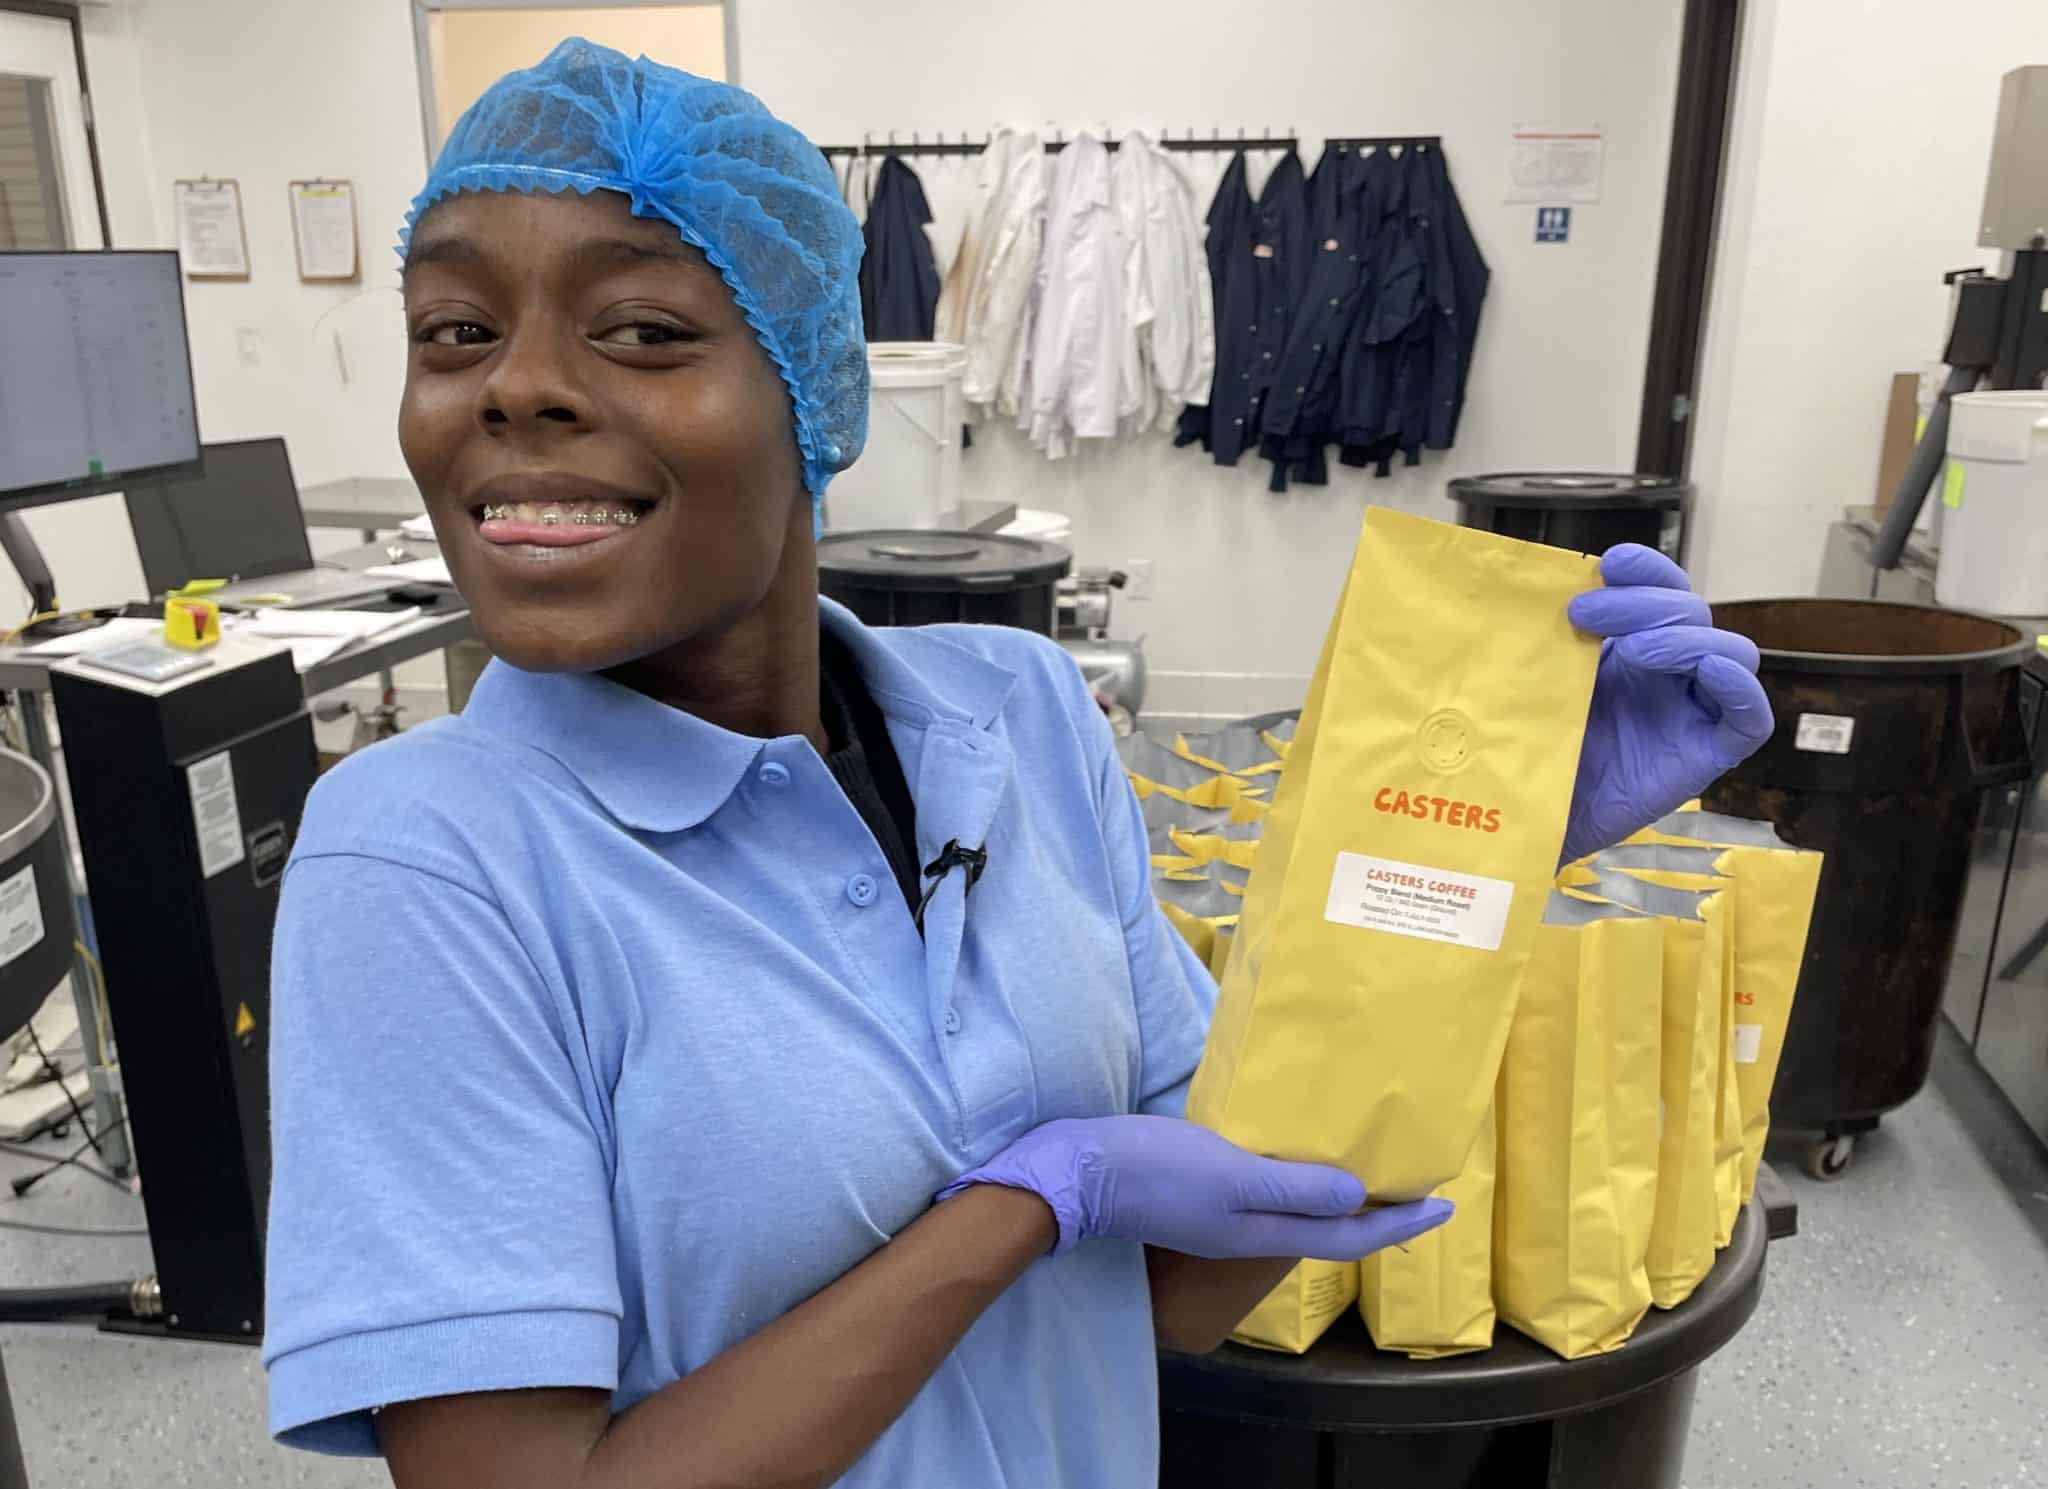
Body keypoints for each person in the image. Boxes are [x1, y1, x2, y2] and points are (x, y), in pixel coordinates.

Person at [262, 39, 1773, 1489]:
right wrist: (1023, 1205)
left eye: (643, 328)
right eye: (454, 330)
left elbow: (1178, 1285)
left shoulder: (1020, 715)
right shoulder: (422, 858)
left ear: (814, 391)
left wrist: (1462, 852)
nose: (513, 386)